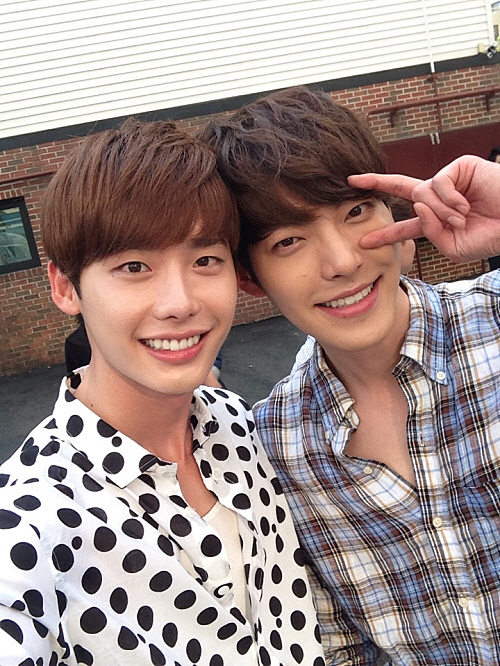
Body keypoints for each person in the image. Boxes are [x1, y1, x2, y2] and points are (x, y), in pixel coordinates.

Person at [0, 118, 325, 666]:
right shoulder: (31, 519)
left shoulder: (242, 426)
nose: (180, 302)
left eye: (205, 261)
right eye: (134, 266)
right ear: (65, 287)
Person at [199, 87, 500, 664]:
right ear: (250, 278)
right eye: (289, 241)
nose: (342, 261)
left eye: (356, 211)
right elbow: (337, 647)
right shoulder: (276, 445)